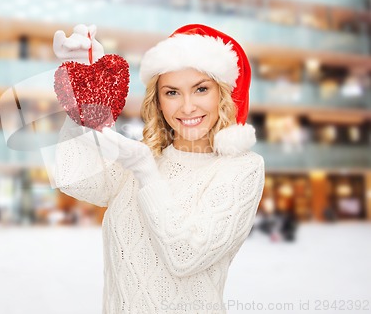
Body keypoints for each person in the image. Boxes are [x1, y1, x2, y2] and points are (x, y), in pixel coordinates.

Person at [52, 24, 265, 313]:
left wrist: (146, 172)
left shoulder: (242, 168)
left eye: (201, 89)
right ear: (159, 101)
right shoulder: (144, 156)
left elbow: (185, 255)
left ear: (223, 94)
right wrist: (85, 86)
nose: (187, 107)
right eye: (172, 92)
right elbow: (74, 178)